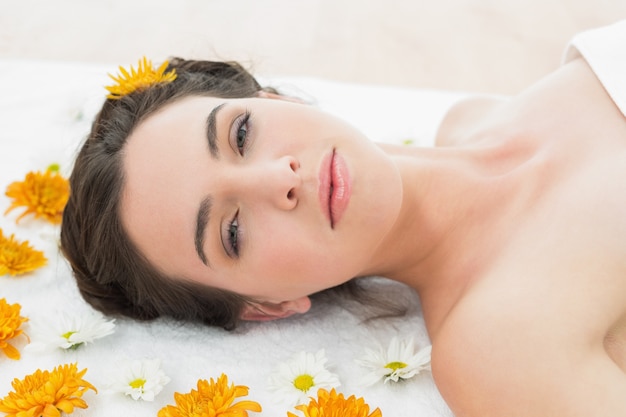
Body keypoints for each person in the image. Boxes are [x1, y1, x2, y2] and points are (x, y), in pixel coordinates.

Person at [61, 20, 626, 416]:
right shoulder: (496, 353)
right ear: (268, 307)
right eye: (231, 232)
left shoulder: (477, 116)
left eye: (240, 133)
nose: (276, 180)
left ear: (276, 99)